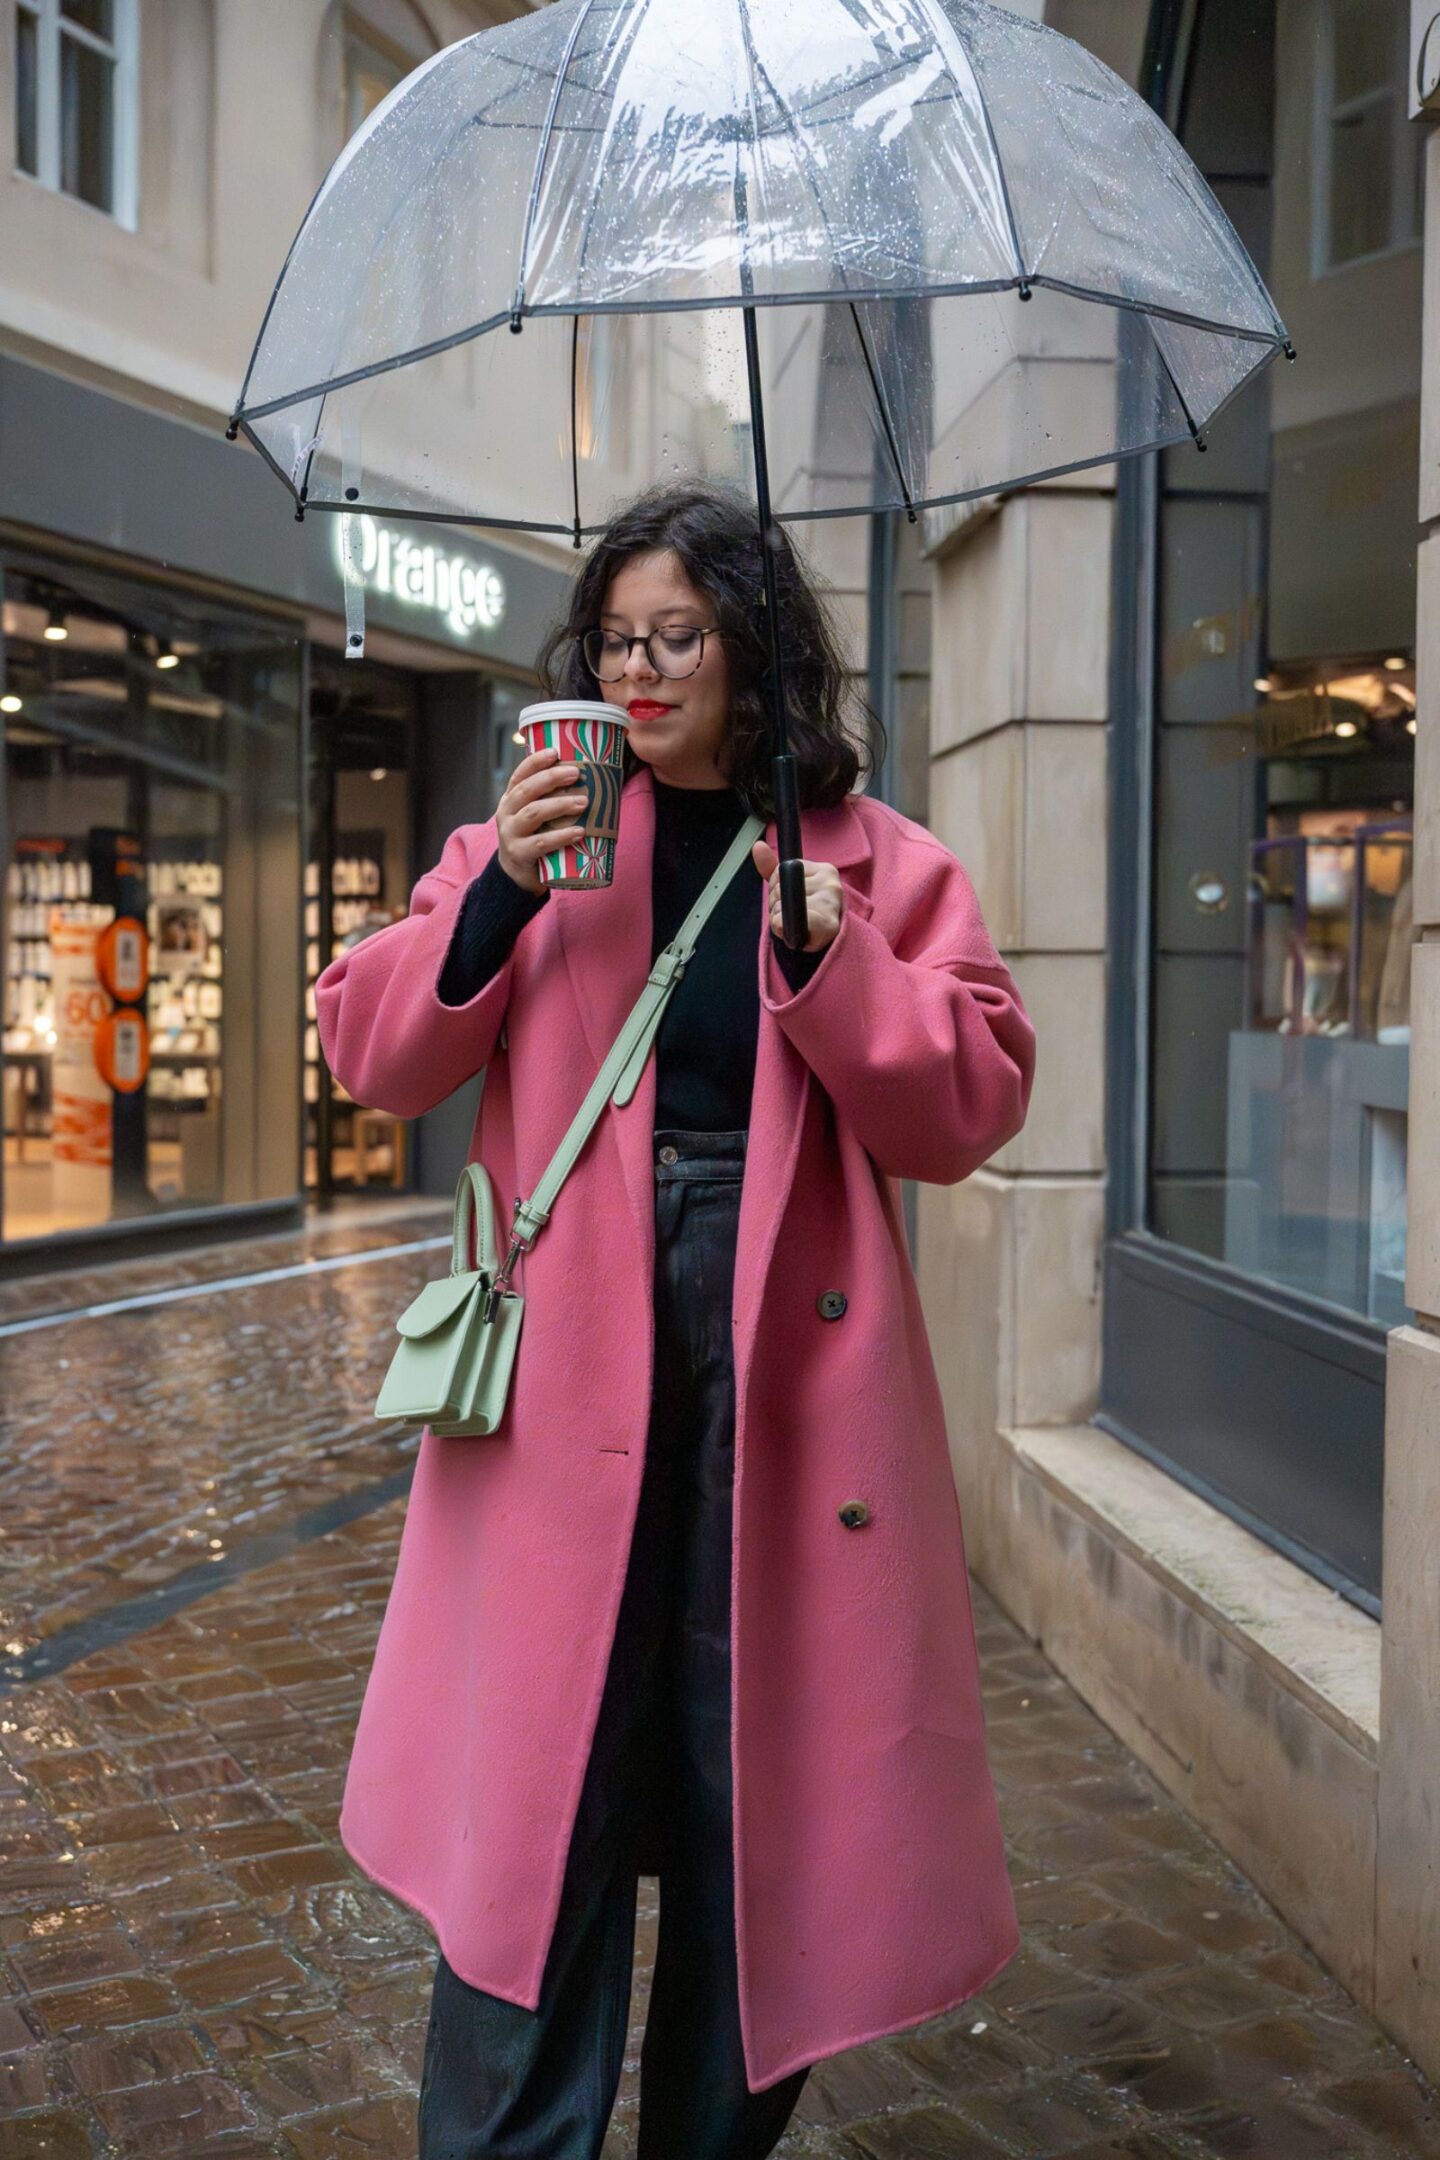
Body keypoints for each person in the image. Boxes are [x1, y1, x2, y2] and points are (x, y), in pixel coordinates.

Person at [315, 480, 1037, 2160]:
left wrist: (840, 960)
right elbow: (371, 1052)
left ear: (752, 646)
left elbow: (971, 1103)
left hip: (789, 1388)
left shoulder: (873, 858)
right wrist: (493, 888)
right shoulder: (541, 839)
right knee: (551, 1790)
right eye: (614, 641)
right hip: (573, 1365)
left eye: (678, 638)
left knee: (751, 1782)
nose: (638, 674)